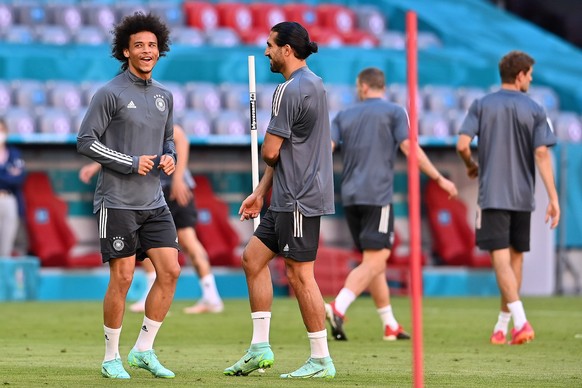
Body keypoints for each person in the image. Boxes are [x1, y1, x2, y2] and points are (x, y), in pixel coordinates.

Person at [224, 21, 336, 379]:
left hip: (300, 196)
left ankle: (321, 359)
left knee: (300, 275)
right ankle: (259, 348)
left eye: (270, 45)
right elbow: (286, 151)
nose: (266, 51)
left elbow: (272, 150)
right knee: (253, 259)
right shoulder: (316, 85)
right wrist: (260, 193)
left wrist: (265, 148)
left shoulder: (290, 90)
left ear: (288, 49)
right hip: (286, 195)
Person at [76, 12, 180, 379]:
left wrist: (170, 158)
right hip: (116, 201)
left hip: (154, 202)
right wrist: (129, 162)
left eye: (152, 45)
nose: (147, 50)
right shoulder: (109, 93)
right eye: (139, 45)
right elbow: (86, 141)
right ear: (126, 51)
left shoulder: (166, 96)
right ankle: (110, 358)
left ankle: (143, 351)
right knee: (121, 278)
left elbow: (169, 140)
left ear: (159, 50)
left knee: (170, 271)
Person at [325, 67, 458, 342]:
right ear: (381, 87)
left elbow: (326, 150)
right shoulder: (395, 112)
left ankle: (390, 325)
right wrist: (438, 178)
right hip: (377, 195)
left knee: (374, 263)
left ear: (363, 87)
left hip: (350, 197)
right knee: (377, 259)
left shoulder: (343, 115)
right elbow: (411, 149)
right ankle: (338, 307)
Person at [456, 50, 560, 345]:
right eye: (530, 74)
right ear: (520, 76)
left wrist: (471, 166)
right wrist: (553, 198)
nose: (531, 79)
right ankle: (506, 326)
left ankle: (516, 322)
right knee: (515, 261)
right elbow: (542, 153)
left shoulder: (481, 105)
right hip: (523, 196)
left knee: (501, 261)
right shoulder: (536, 109)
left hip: (492, 195)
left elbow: (462, 144)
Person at [79, 124, 224, 315]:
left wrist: (178, 179)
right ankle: (208, 295)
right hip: (157, 188)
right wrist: (94, 166)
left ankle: (210, 295)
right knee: (173, 242)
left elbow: (181, 139)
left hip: (169, 189)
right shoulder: (138, 121)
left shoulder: (154, 116)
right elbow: (123, 151)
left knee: (178, 241)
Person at [0, 118, 26, 257]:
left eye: (1, 130)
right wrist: (7, 173)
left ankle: (2, 278)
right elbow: (12, 176)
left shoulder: (14, 153)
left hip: (9, 199)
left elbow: (19, 178)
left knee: (6, 247)